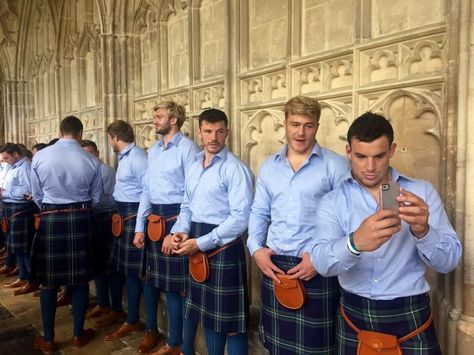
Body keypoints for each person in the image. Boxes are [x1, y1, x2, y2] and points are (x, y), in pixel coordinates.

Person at [311, 112, 462, 354]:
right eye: (360, 156)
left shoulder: (422, 192)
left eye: (379, 156)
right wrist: (354, 243)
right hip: (354, 311)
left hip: (411, 309)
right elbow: (320, 263)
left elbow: (449, 263)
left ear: (392, 150)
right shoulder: (333, 201)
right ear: (348, 151)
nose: (370, 167)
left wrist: (423, 231)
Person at [247, 95, 349, 354]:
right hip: (275, 266)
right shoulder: (269, 167)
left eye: (308, 125)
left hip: (316, 266)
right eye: (295, 124)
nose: (300, 132)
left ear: (317, 125)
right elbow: (259, 211)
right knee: (277, 346)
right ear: (284, 123)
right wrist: (256, 249)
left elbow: (347, 220)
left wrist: (320, 259)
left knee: (317, 348)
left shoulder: (336, 166)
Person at [170, 108, 254, 355]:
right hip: (197, 241)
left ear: (227, 132)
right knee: (208, 316)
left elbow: (241, 218)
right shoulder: (194, 165)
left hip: (224, 248)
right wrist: (181, 231)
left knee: (230, 324)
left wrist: (201, 243)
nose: (213, 137)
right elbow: (187, 206)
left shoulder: (235, 169)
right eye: (208, 131)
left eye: (219, 131)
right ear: (199, 132)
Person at [30, 116, 102, 354]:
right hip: (80, 219)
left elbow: (36, 194)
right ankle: (78, 335)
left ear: (60, 132)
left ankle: (49, 339)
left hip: (51, 219)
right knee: (80, 280)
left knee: (48, 283)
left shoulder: (41, 156)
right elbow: (97, 199)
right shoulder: (91, 160)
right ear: (81, 133)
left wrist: (51, 210)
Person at [133, 102, 200, 354]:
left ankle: (180, 343)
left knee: (180, 288)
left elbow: (191, 193)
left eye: (159, 116)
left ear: (174, 120)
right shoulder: (154, 150)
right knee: (160, 283)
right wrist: (140, 226)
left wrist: (176, 231)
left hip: (177, 220)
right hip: (155, 221)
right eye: (155, 115)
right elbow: (147, 190)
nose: (154, 120)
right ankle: (170, 338)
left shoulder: (188, 148)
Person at [103, 120, 148, 340]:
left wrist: (140, 224)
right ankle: (127, 316)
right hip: (123, 216)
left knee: (135, 273)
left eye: (109, 138)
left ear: (115, 137)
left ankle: (135, 321)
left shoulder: (138, 157)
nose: (109, 141)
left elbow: (147, 192)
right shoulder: (126, 157)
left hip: (133, 217)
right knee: (124, 271)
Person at [80, 140, 117, 320]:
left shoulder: (106, 171)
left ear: (98, 152)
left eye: (91, 153)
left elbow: (112, 199)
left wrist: (89, 203)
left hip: (105, 219)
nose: (89, 157)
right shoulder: (83, 171)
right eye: (85, 154)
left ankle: (113, 307)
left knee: (109, 265)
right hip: (91, 219)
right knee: (97, 264)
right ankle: (103, 303)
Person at [0, 143, 38, 295]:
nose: (5, 160)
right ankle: (22, 276)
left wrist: (5, 192)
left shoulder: (25, 167)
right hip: (12, 209)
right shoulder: (14, 167)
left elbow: (28, 190)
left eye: (7, 157)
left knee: (24, 248)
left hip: (21, 210)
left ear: (16, 154)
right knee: (16, 247)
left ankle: (31, 280)